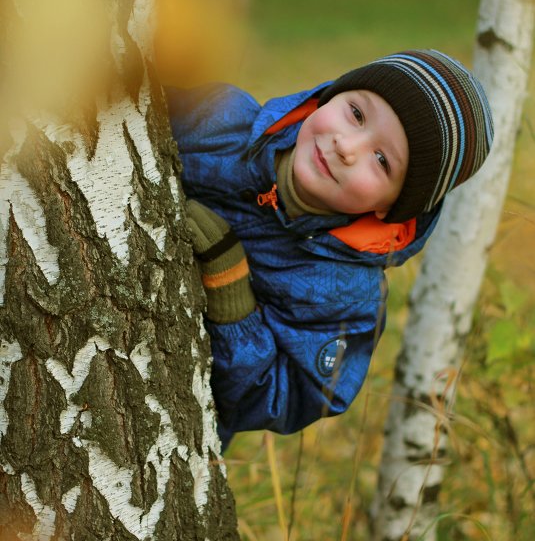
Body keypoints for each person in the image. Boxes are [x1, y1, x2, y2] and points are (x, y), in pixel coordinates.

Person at [167, 50, 494, 450]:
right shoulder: (219, 120)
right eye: (356, 114)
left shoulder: (346, 296)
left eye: (381, 160)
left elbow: (282, 397)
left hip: (163, 425)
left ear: (391, 207)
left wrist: (233, 302)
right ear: (331, 96)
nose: (347, 147)